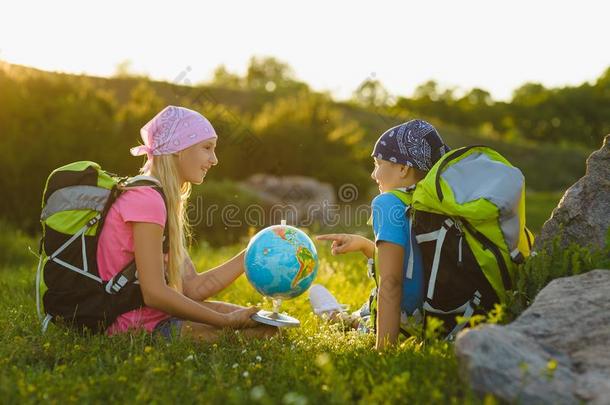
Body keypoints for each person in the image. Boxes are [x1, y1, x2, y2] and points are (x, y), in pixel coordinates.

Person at [97, 105, 277, 341]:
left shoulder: (160, 198)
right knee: (263, 333)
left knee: (265, 323)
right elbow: (154, 294)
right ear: (178, 149)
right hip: (132, 325)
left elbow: (191, 288)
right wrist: (225, 321)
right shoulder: (146, 199)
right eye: (207, 148)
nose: (214, 159)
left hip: (157, 317)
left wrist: (250, 254)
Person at [314, 119, 450, 350]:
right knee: (358, 310)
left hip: (404, 324)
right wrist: (364, 245)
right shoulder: (434, 203)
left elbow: (392, 283)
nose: (373, 174)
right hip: (437, 320)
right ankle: (349, 316)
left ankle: (338, 318)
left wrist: (384, 348)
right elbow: (413, 263)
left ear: (403, 168)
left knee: (341, 311)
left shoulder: (388, 204)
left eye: (377, 163)